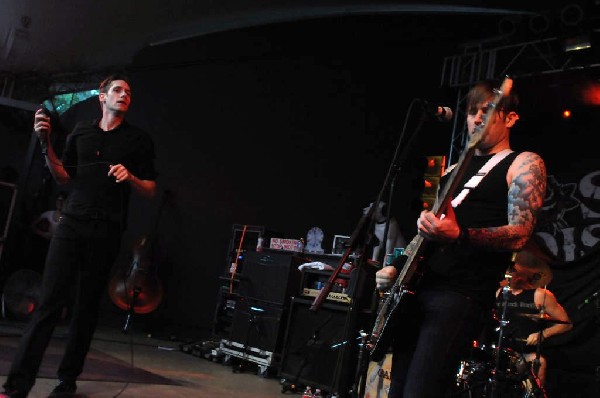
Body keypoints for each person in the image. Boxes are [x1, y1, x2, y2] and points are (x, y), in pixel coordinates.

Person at [374, 78, 547, 398]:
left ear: (510, 118)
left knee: (421, 390)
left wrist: (461, 235)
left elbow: (520, 234)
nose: (477, 117)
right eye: (471, 111)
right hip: (418, 290)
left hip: (460, 294)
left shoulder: (523, 162)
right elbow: (425, 236)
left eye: (487, 110)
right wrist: (397, 267)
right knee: (396, 389)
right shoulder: (452, 169)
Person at [1, 73, 158, 398]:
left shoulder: (138, 141)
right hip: (72, 224)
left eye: (128, 91)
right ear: (102, 97)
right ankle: (17, 386)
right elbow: (62, 176)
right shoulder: (82, 132)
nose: (124, 94)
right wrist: (45, 144)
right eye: (117, 90)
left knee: (85, 307)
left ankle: (67, 381)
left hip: (107, 229)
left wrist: (130, 177)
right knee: (48, 302)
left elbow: (151, 189)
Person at [494, 248, 572, 390]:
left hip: (525, 354)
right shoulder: (499, 292)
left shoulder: (540, 295)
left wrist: (542, 334)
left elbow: (566, 324)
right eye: (511, 270)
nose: (512, 274)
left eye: (516, 272)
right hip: (499, 352)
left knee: (540, 362)